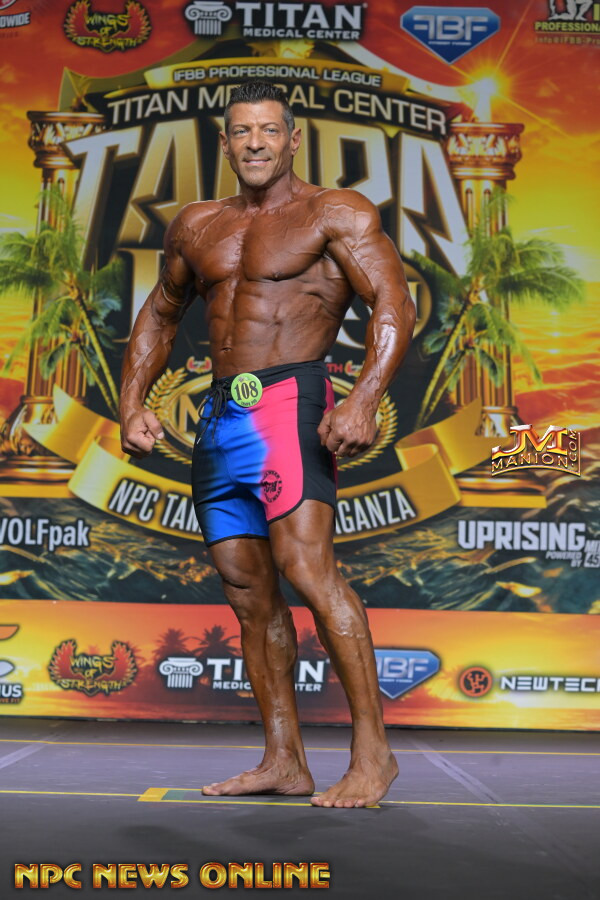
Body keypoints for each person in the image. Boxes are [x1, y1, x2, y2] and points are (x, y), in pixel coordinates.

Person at [120, 81, 416, 808]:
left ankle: (373, 756)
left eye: (269, 130)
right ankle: (284, 760)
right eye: (242, 132)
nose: (255, 143)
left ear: (292, 140)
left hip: (290, 402)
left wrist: (363, 398)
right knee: (249, 594)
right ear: (225, 144)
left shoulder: (333, 212)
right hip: (221, 417)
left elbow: (392, 301)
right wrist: (131, 405)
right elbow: (160, 313)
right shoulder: (198, 224)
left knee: (308, 572)